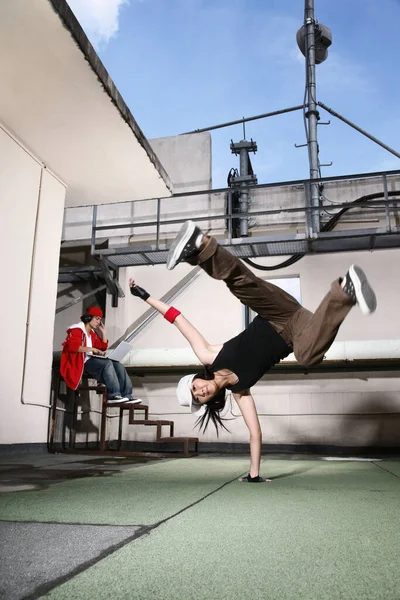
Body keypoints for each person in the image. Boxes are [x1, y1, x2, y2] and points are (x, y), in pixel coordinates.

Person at [129, 220, 377, 482]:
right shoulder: (241, 392)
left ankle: (199, 244)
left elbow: (178, 319)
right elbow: (255, 433)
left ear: (196, 378)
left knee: (241, 285)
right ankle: (346, 290)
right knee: (307, 356)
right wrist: (253, 475)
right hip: (297, 331)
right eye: (198, 398)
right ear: (206, 402)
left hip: (276, 311)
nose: (200, 392)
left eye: (194, 387)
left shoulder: (209, 356)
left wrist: (145, 296)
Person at [60, 305, 141, 404]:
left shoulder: (92, 333)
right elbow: (73, 347)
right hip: (81, 362)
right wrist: (92, 349)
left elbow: (102, 347)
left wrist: (103, 332)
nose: (99, 322)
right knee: (106, 363)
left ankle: (127, 395)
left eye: (100, 319)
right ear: (89, 317)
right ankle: (113, 395)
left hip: (91, 360)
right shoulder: (76, 330)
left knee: (118, 365)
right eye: (97, 319)